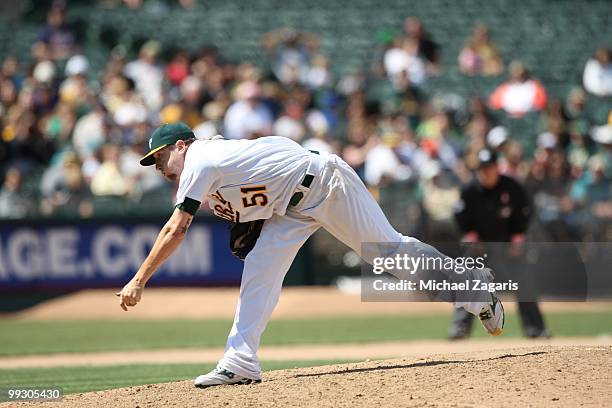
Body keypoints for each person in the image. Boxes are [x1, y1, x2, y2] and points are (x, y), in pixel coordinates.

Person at [116, 122, 505, 388]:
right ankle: (240, 362)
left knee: (388, 253)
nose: (158, 167)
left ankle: (474, 288)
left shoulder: (200, 160)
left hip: (325, 183)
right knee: (260, 269)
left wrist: (139, 279)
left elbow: (177, 228)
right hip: (289, 207)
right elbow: (270, 155)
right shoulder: (215, 161)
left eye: (161, 157)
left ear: (181, 145)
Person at [449, 148, 549, 339]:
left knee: (525, 284)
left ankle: (536, 329)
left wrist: (517, 238)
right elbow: (460, 217)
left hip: (508, 245)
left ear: (497, 167)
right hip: (480, 247)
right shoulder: (470, 189)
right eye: (482, 168)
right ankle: (460, 328)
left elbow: (525, 213)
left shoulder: (511, 187)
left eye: (490, 167)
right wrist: (471, 236)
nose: (486, 172)